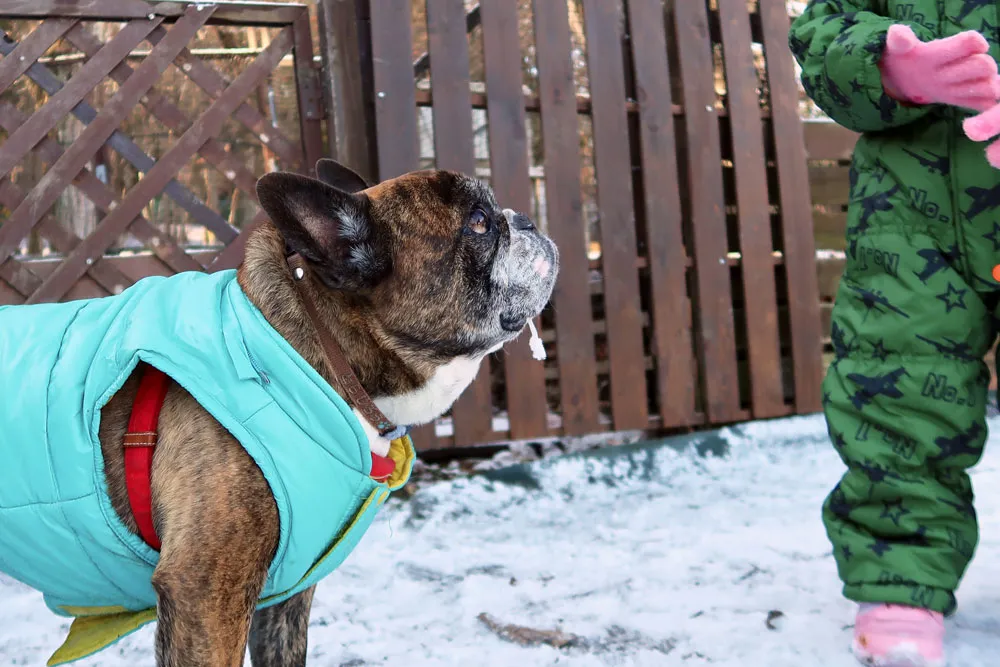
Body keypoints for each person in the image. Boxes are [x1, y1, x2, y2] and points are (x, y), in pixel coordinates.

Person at [790, 3, 1000, 666]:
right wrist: (887, 63)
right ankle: (900, 578)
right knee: (898, 378)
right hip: (909, 209)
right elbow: (823, 31)